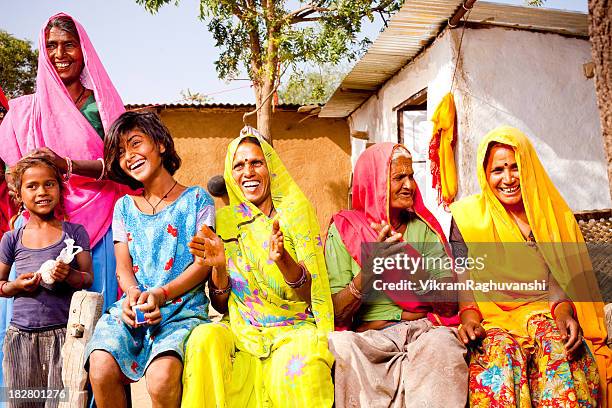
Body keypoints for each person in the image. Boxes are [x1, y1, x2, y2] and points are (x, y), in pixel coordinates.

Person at [450, 126, 609, 406]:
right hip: (493, 319)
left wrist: (563, 316)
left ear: (529, 168)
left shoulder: (550, 216)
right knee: (497, 355)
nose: (508, 178)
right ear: (485, 175)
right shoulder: (468, 218)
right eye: (498, 170)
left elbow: (557, 282)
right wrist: (470, 321)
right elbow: (465, 279)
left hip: (543, 311)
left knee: (559, 349)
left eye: (516, 167)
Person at [181, 127, 335, 407]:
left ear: (270, 168)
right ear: (231, 174)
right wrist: (219, 269)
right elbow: (220, 305)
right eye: (239, 165)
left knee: (302, 370)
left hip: (292, 327)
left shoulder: (296, 213)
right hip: (243, 328)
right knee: (204, 338)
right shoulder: (225, 221)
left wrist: (284, 260)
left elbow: (311, 296)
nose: (248, 172)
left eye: (256, 163)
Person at [0, 13, 129, 313]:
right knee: (32, 319)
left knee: (92, 316)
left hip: (98, 225)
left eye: (69, 45)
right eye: (51, 46)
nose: (60, 54)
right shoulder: (24, 111)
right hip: (35, 231)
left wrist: (66, 165)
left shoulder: (102, 106)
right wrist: (32, 200)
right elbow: (10, 174)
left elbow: (122, 167)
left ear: (83, 50)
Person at [85, 112, 215, 408]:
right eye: (120, 152)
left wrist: (162, 294)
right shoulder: (124, 208)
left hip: (181, 310)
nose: (129, 156)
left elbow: (203, 264)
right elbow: (123, 267)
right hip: (134, 308)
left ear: (161, 145)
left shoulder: (197, 200)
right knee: (101, 365)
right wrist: (132, 296)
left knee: (162, 377)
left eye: (135, 144)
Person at [325, 142, 468, 407]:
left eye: (411, 176)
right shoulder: (346, 229)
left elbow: (449, 305)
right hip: (368, 340)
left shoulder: (424, 229)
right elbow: (336, 313)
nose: (409, 185)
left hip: (422, 334)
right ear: (373, 182)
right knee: (340, 346)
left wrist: (410, 268)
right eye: (398, 177)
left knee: (445, 346)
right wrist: (371, 270)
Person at [0, 156, 93, 408]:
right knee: (21, 402)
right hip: (20, 338)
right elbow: (0, 285)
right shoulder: (12, 238)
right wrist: (16, 286)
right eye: (32, 186)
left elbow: (87, 279)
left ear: (60, 189)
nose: (42, 191)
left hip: (63, 336)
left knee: (60, 402)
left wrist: (69, 275)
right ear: (18, 194)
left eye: (49, 184)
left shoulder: (75, 233)